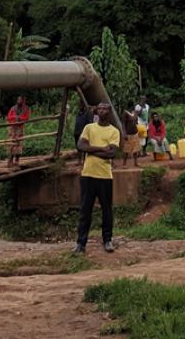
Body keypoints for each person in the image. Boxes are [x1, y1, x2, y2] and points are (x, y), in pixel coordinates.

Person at [73, 101, 120, 254]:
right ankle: (81, 243)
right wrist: (101, 149)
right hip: (88, 174)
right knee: (85, 210)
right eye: (99, 108)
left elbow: (112, 153)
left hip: (105, 176)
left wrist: (90, 150)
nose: (102, 110)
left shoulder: (114, 131)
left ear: (109, 112)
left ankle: (107, 240)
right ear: (96, 111)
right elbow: (80, 146)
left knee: (107, 210)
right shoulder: (89, 128)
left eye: (105, 108)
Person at [6, 96, 30, 169]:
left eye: (20, 100)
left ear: (23, 101)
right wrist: (14, 117)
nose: (19, 101)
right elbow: (8, 117)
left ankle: (17, 160)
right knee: (11, 144)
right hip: (12, 129)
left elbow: (26, 118)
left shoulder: (26, 109)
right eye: (18, 99)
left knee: (19, 144)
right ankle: (10, 160)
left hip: (20, 129)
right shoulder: (13, 108)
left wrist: (20, 118)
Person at [72, 103, 94, 168]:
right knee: (78, 147)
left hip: (83, 133)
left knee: (84, 148)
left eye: (81, 105)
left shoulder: (88, 113)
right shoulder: (79, 113)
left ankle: (84, 161)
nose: (80, 106)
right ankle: (79, 161)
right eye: (79, 105)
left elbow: (90, 123)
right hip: (77, 132)